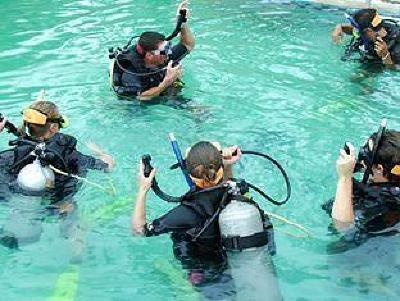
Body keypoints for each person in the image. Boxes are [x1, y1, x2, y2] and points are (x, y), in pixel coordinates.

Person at [132, 141, 281, 300]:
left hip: (209, 278)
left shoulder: (186, 213)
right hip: (240, 267)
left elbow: (139, 230)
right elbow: (223, 187)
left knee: (165, 263)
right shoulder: (236, 192)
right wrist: (228, 165)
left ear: (190, 176)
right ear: (220, 170)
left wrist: (142, 189)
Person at [0, 98, 115, 249]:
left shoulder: (16, 152)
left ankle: (20, 228)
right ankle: (75, 250)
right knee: (69, 208)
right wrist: (101, 152)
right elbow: (107, 166)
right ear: (54, 127)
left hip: (19, 197)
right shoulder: (67, 153)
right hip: (58, 201)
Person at [323, 121, 400, 249]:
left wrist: (345, 178)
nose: (362, 162)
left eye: (366, 156)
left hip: (367, 256)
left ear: (379, 169)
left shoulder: (383, 200)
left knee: (335, 249)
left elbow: (344, 227)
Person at [109, 1, 195, 100]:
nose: (169, 52)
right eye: (164, 50)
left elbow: (187, 44)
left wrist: (182, 22)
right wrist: (167, 82)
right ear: (150, 55)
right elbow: (141, 97)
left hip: (160, 87)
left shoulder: (161, 54)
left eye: (168, 47)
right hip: (140, 104)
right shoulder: (130, 74)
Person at [332, 8, 400, 66]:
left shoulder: (396, 47)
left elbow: (393, 70)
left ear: (368, 30)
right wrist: (339, 27)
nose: (355, 30)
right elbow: (352, 29)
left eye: (357, 28)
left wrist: (385, 55)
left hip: (379, 65)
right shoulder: (373, 29)